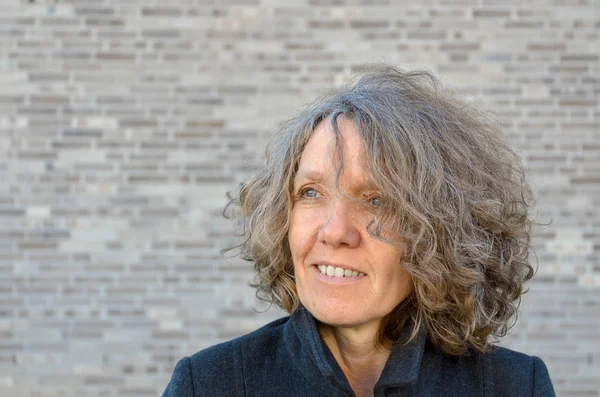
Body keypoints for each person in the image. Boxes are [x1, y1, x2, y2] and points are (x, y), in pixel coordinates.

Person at [162, 66, 556, 397]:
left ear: (442, 232)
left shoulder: (517, 386)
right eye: (311, 192)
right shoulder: (209, 385)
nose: (334, 232)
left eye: (376, 200)